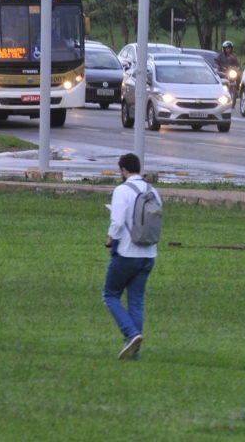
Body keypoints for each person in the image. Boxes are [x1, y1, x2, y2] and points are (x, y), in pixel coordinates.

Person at [102, 152, 159, 360]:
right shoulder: (153, 190)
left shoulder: (122, 190)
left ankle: (131, 334)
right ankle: (134, 353)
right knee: (136, 302)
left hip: (127, 251)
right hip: (149, 252)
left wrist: (110, 240)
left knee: (110, 295)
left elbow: (117, 221)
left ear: (123, 170)